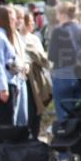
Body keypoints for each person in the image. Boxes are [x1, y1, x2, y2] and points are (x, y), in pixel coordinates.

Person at [49, 1, 81, 154]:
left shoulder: (58, 31)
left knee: (63, 115)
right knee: (80, 114)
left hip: (62, 74)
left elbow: (52, 56)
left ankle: (65, 153)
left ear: (63, 14)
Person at [0, 4, 25, 140]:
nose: (15, 21)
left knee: (6, 119)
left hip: (9, 82)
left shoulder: (3, 36)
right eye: (12, 18)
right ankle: (0, 150)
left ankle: (3, 149)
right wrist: (3, 88)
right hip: (2, 84)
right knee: (2, 121)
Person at [16, 7, 51, 139]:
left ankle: (34, 137)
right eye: (29, 21)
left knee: (36, 109)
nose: (32, 24)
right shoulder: (16, 37)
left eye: (32, 22)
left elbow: (43, 59)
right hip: (21, 78)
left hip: (34, 79)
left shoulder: (34, 39)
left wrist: (32, 54)